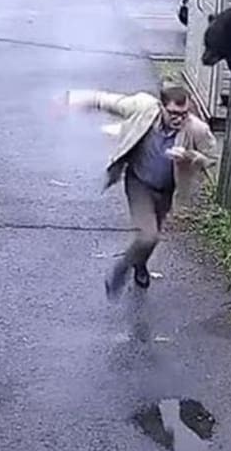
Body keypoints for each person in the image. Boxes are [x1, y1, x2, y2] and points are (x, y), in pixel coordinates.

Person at [66, 83, 218, 298]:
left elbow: (211, 159)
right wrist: (73, 99)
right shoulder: (144, 108)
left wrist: (190, 157)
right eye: (173, 114)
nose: (179, 119)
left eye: (184, 114)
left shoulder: (197, 129)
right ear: (161, 107)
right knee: (149, 235)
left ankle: (140, 264)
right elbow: (108, 101)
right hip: (139, 183)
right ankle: (122, 270)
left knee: (152, 234)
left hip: (167, 191)